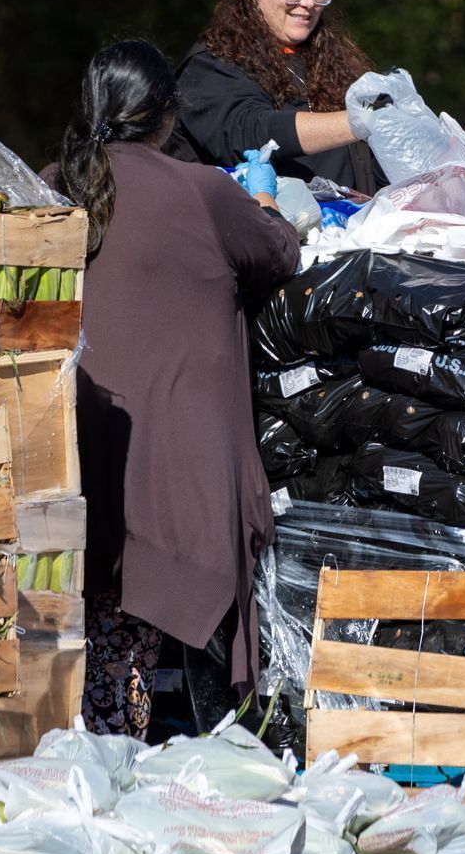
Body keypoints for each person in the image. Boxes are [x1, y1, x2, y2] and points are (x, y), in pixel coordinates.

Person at [46, 38, 302, 740]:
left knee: (101, 615)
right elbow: (280, 253)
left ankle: (105, 742)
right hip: (178, 464)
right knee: (167, 623)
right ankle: (181, 754)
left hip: (71, 453)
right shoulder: (201, 191)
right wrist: (265, 198)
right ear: (165, 115)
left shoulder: (55, 184)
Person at [166, 0, 386, 193]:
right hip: (258, 236)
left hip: (348, 235)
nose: (309, 2)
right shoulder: (211, 65)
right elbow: (250, 134)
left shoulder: (332, 65)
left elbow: (370, 167)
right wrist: (358, 122)